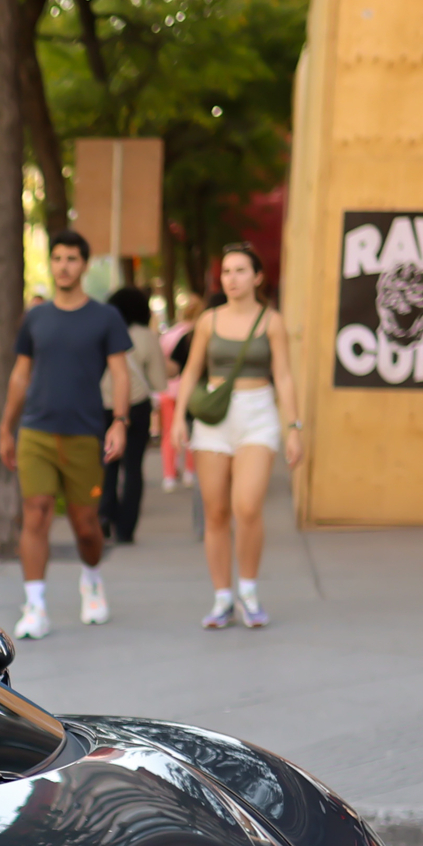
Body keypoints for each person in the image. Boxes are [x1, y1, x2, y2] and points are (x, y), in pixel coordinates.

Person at [0, 231, 131, 636]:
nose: (64, 266)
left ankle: (91, 578)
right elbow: (21, 374)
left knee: (85, 524)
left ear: (84, 264)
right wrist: (6, 427)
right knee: (35, 512)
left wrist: (120, 421)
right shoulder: (36, 317)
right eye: (57, 258)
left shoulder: (105, 317)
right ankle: (35, 605)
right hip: (36, 430)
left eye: (72, 258)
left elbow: (121, 372)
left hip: (84, 433)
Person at [171, 242, 304, 629]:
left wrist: (293, 427)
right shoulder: (209, 321)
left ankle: (248, 591)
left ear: (257, 277)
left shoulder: (271, 321)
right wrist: (179, 418)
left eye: (241, 270)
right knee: (215, 512)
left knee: (247, 507)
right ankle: (222, 598)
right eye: (226, 271)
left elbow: (283, 376)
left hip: (258, 414)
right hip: (214, 418)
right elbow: (191, 370)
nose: (232, 278)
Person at [99, 286, 165, 544]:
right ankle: (126, 528)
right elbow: (159, 381)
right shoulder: (146, 336)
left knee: (106, 464)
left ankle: (104, 514)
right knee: (133, 468)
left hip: (101, 404)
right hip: (135, 406)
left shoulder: (103, 331)